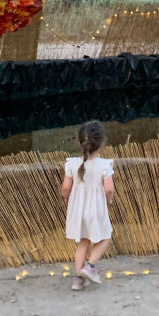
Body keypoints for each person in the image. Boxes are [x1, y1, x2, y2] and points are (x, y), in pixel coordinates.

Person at [61, 120, 114, 291]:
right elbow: (109, 189)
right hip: (95, 209)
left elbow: (65, 187)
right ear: (102, 143)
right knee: (105, 236)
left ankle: (78, 280)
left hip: (77, 210)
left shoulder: (71, 164)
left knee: (82, 243)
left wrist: (66, 198)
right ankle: (90, 267)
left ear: (79, 142)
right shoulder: (104, 165)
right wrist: (109, 200)